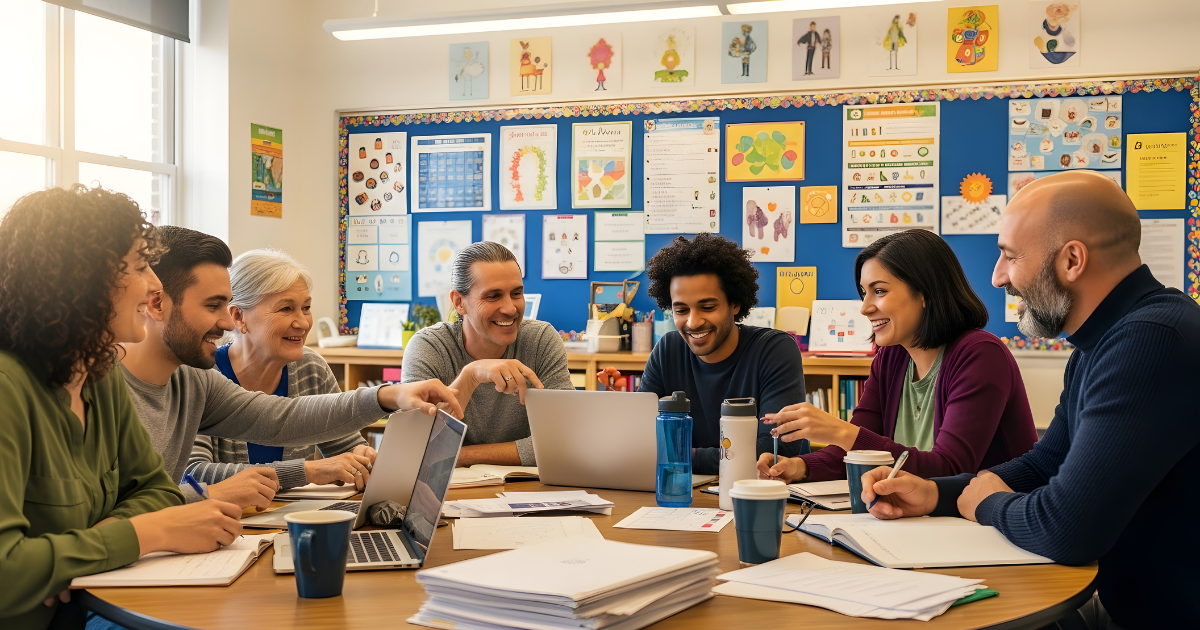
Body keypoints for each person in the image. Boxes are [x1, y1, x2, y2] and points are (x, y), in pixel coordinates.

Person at [861, 171, 1200, 629]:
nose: (999, 277)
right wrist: (934, 493)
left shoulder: (1150, 339)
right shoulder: (1101, 343)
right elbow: (1045, 465)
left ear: (1072, 260)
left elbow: (1066, 529)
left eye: (1010, 256)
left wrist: (985, 503)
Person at [0, 186, 244, 630]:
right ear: (78, 280)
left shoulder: (100, 372)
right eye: (137, 266)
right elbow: (6, 571)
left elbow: (158, 490)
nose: (153, 284)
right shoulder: (8, 389)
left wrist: (85, 546)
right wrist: (153, 532)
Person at [120, 227, 461, 509]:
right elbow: (126, 509)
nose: (225, 322)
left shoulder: (193, 379)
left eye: (306, 307)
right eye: (213, 306)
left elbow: (282, 417)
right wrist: (304, 471)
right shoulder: (113, 386)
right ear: (155, 303)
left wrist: (388, 396)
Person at [758, 229, 1037, 483]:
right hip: (922, 522)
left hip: (991, 524)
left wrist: (841, 432)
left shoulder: (980, 354)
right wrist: (800, 466)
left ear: (925, 292)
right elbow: (859, 453)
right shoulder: (890, 359)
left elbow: (952, 469)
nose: (865, 308)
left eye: (879, 291)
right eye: (864, 293)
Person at [602, 233, 807, 475]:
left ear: (735, 304)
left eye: (707, 307)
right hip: (687, 493)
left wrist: (682, 456)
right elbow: (642, 440)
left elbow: (772, 449)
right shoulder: (668, 349)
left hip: (759, 496)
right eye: (681, 309)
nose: (693, 322)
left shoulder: (774, 350)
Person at [187, 248, 375, 492]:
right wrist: (309, 471)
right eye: (286, 309)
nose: (303, 322)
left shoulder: (311, 368)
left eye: (305, 307)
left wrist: (361, 458)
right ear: (238, 317)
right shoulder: (200, 375)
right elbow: (193, 475)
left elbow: (345, 447)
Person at [401, 242, 573, 467]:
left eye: (516, 293)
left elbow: (564, 441)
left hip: (528, 490)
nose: (510, 308)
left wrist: (461, 456)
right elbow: (415, 446)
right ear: (459, 302)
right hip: (448, 492)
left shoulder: (540, 340)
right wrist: (470, 376)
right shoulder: (429, 347)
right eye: (493, 296)